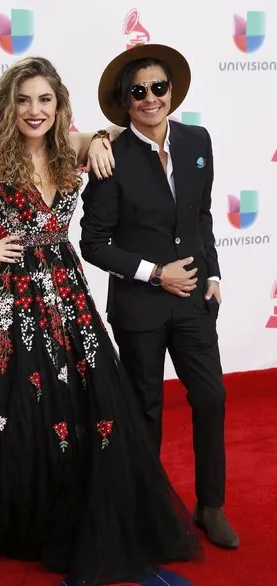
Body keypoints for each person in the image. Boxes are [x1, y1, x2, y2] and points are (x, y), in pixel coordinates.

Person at [0, 56, 200, 586]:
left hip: (65, 296)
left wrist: (98, 135)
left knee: (71, 410)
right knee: (2, 410)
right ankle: (2, 514)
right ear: (9, 105)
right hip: (3, 299)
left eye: (45, 100)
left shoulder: (70, 147)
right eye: (24, 99)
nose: (34, 110)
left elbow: (125, 127)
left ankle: (53, 508)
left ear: (58, 106)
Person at [80, 44, 239, 549]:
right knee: (145, 410)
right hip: (140, 307)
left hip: (194, 299)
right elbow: (93, 243)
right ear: (124, 101)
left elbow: (203, 215)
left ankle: (210, 505)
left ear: (172, 91)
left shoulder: (198, 140)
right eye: (138, 92)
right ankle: (147, 511)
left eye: (158, 88)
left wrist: (212, 273)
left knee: (211, 398)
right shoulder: (110, 156)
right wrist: (154, 274)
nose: (150, 99)